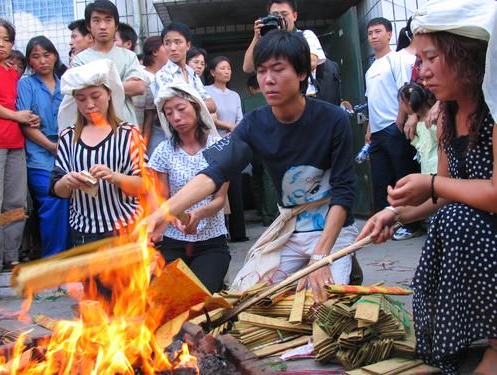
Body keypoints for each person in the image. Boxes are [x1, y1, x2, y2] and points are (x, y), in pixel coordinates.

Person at [142, 30, 358, 304]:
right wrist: (162, 213)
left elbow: (344, 192)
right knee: (243, 300)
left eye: (278, 70)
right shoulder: (254, 124)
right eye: (261, 70)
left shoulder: (334, 119)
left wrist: (321, 256)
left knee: (324, 307)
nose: (268, 80)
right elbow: (213, 174)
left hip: (333, 231)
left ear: (302, 72)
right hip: (290, 229)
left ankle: (346, 264)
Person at [357, 0, 496, 373]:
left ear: (464, 55)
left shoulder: (493, 113)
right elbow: (447, 192)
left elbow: (491, 194)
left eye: (431, 58)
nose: (420, 73)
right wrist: (395, 214)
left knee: (456, 220)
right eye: (419, 60)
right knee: (449, 218)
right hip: (477, 228)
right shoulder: (447, 114)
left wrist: (430, 182)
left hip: (487, 229)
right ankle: (464, 338)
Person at [51, 59, 145, 246]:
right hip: (84, 233)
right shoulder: (68, 137)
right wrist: (66, 182)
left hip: (125, 229)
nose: (90, 104)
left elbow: (144, 185)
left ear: (109, 94)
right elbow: (58, 191)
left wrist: (114, 177)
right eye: (81, 99)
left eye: (96, 96)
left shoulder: (129, 134)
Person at [149, 82, 230, 293]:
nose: (176, 117)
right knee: (166, 299)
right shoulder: (163, 152)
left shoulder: (219, 147)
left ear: (196, 107)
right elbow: (162, 197)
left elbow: (220, 200)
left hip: (212, 242)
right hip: (174, 241)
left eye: (181, 109)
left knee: (200, 297)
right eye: (169, 113)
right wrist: (171, 215)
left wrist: (200, 213)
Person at [364, 17, 421, 241]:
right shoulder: (370, 68)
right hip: (377, 132)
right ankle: (385, 225)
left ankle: (412, 223)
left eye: (378, 31)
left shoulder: (395, 59)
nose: (373, 36)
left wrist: (404, 118)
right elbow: (370, 100)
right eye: (370, 33)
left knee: (403, 176)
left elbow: (404, 90)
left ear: (389, 34)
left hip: (393, 126)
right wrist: (369, 127)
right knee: (381, 180)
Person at [17, 36, 71, 257]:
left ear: (55, 56)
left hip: (67, 152)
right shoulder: (26, 84)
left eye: (46, 55)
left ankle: (70, 257)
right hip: (39, 153)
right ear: (29, 61)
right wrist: (50, 146)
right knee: (50, 201)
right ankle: (54, 258)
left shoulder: (65, 83)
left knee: (69, 203)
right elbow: (26, 123)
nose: (42, 61)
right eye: (35, 56)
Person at [0, 19, 40, 272]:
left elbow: (17, 106)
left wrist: (29, 117)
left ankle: (11, 255)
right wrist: (16, 116)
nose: (1, 44)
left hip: (15, 143)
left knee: (15, 203)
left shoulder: (13, 72)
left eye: (6, 39)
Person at [65, 0, 145, 128]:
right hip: (94, 128)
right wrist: (121, 84)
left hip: (126, 125)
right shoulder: (80, 60)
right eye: (96, 20)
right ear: (88, 26)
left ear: (116, 24)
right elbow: (80, 92)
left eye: (108, 20)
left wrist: (99, 84)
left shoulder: (129, 56)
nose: (102, 26)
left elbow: (139, 87)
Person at [205, 56, 247, 242]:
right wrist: (228, 126)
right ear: (213, 72)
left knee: (235, 188)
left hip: (232, 144)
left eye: (229, 68)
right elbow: (209, 117)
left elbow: (240, 118)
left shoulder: (235, 95)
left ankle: (239, 232)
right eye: (222, 68)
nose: (227, 71)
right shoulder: (206, 92)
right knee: (215, 188)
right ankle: (219, 232)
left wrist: (235, 129)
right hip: (214, 144)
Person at [242, 0, 325, 74]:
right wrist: (257, 37)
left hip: (303, 91)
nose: (280, 18)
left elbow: (312, 63)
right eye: (275, 15)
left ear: (294, 16)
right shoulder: (268, 42)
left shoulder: (306, 36)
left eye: (284, 14)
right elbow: (247, 68)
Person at [152, 22, 216, 114]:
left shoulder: (192, 74)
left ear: (188, 45)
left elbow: (212, 106)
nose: (172, 48)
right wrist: (198, 104)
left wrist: (188, 105)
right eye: (167, 43)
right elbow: (172, 110)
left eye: (177, 42)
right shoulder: (162, 75)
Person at [242, 74, 278, 227]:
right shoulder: (272, 99)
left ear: (250, 88)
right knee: (269, 178)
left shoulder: (244, 102)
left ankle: (259, 208)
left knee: (256, 175)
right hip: (271, 143)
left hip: (252, 145)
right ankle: (269, 216)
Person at [134, 36, 167, 157]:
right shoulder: (140, 76)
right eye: (166, 44)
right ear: (155, 51)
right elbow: (144, 115)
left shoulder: (166, 76)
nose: (171, 48)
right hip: (149, 137)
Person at [398, 82, 437, 175]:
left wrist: (432, 128)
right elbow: (425, 147)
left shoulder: (432, 119)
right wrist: (414, 140)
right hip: (426, 171)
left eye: (401, 103)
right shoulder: (419, 123)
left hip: (437, 170)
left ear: (408, 103)